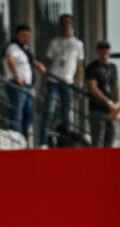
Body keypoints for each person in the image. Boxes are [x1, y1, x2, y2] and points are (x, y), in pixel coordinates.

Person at [42, 15, 82, 146]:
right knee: (49, 111)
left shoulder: (78, 44)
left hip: (68, 82)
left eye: (69, 23)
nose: (66, 25)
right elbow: (47, 63)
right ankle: (43, 141)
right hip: (53, 80)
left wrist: (79, 85)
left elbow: (80, 66)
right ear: (60, 25)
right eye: (64, 23)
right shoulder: (55, 42)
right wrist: (43, 83)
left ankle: (65, 143)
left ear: (72, 25)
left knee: (67, 114)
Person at [6, 25, 41, 143]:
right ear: (17, 35)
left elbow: (29, 61)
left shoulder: (24, 49)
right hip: (17, 85)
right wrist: (17, 76)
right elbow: (10, 60)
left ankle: (24, 138)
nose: (26, 38)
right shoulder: (13, 47)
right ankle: (15, 140)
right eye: (24, 36)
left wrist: (38, 65)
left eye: (28, 36)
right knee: (16, 112)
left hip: (27, 86)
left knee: (28, 113)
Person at [83, 41, 117, 146]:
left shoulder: (112, 67)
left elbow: (116, 85)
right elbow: (92, 88)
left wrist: (117, 103)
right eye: (102, 49)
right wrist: (107, 101)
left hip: (110, 111)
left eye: (107, 49)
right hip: (97, 109)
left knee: (110, 139)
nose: (105, 51)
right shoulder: (92, 67)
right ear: (98, 51)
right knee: (98, 142)